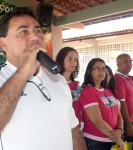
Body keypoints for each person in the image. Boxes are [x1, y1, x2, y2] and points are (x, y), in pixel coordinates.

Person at [0, 7, 86, 150]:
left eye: (38, 30)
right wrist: (23, 72)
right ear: (3, 44)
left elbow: (73, 129)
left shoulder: (58, 79)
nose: (35, 37)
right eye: (23, 31)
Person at [80, 58, 124, 150]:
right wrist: (117, 139)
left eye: (103, 69)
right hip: (96, 141)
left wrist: (120, 130)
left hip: (112, 140)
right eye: (97, 68)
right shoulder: (88, 91)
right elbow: (97, 121)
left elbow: (119, 115)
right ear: (89, 72)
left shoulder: (108, 91)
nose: (101, 71)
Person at [55, 46, 82, 127]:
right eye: (69, 59)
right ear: (61, 60)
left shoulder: (76, 85)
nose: (73, 62)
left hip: (77, 127)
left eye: (75, 59)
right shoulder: (54, 82)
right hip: (62, 128)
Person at [114, 53, 133, 142]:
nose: (129, 64)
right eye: (126, 62)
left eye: (130, 61)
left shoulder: (127, 78)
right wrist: (129, 124)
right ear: (118, 64)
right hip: (125, 122)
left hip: (131, 120)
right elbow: (122, 104)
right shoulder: (118, 79)